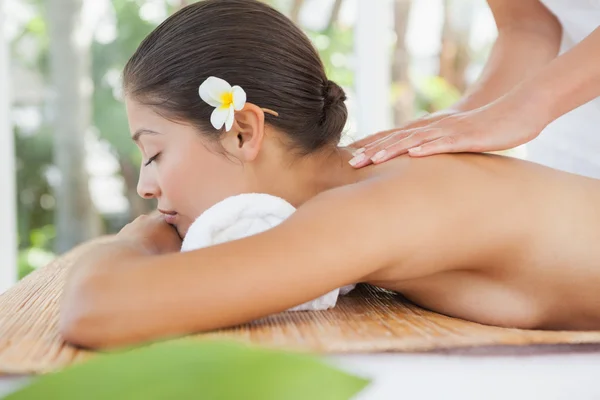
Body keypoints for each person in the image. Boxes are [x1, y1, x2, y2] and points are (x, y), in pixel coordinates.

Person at [59, 0, 600, 350]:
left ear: (242, 131)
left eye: (153, 154)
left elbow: (96, 309)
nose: (145, 188)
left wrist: (141, 236)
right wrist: (471, 112)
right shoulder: (369, 186)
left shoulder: (366, 212)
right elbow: (530, 21)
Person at [349, 0, 600, 178]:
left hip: (550, 103)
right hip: (570, 128)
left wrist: (528, 108)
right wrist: (461, 115)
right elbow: (527, 26)